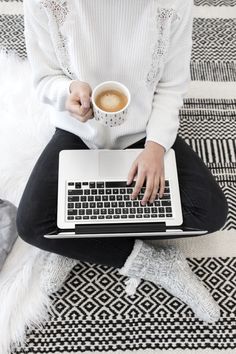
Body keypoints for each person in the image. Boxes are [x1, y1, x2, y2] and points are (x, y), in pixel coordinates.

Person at [16, 0, 228, 322]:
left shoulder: (173, 4)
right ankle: (155, 262)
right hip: (78, 130)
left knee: (211, 212)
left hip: (143, 130)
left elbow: (171, 86)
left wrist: (156, 147)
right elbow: (45, 78)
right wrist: (68, 91)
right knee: (32, 225)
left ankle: (79, 242)